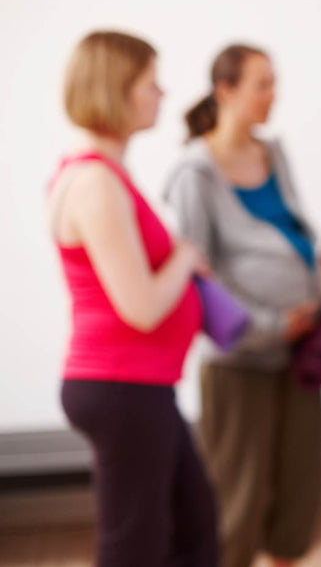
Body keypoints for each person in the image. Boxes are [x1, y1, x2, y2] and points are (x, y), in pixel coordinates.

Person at [165, 44, 321, 567]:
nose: (273, 95)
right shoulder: (194, 174)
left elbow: (297, 237)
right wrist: (271, 326)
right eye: (261, 84)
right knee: (235, 505)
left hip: (300, 353)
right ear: (225, 91)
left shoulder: (274, 153)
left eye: (274, 82)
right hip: (240, 363)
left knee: (298, 496)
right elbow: (197, 276)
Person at [47, 30, 217, 566]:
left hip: (139, 385)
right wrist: (185, 258)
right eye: (151, 83)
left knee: (193, 527)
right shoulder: (96, 183)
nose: (162, 95)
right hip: (122, 386)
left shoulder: (105, 175)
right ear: (116, 89)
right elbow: (141, 307)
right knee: (136, 547)